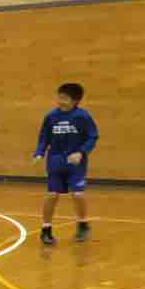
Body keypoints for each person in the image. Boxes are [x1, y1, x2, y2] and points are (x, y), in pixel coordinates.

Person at [33, 82, 98, 246]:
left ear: (75, 101)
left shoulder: (83, 116)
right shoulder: (51, 116)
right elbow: (44, 137)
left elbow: (92, 136)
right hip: (55, 162)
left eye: (65, 98)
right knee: (52, 195)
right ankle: (46, 229)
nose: (60, 101)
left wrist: (81, 152)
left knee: (78, 194)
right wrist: (39, 153)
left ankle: (82, 224)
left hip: (75, 164)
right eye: (59, 97)